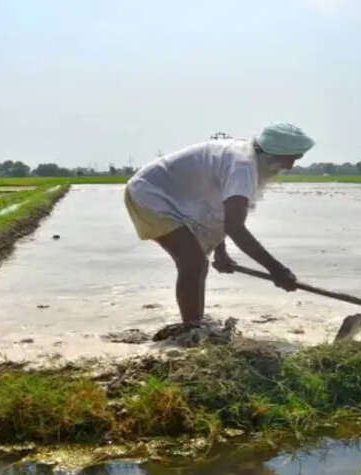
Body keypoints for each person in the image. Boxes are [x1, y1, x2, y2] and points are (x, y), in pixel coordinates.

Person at [124, 122, 314, 329]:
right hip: (149, 194)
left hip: (181, 200)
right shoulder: (243, 166)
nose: (289, 167)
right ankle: (192, 330)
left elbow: (222, 213)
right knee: (193, 263)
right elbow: (235, 227)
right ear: (274, 154)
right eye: (291, 160)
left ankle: (195, 323)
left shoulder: (246, 158)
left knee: (197, 264)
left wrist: (220, 252)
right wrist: (276, 269)